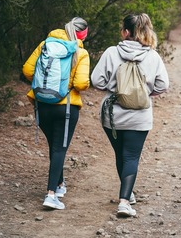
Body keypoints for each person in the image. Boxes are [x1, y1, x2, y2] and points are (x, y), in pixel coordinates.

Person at [91, 13, 169, 218]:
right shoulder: (153, 56)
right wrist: (143, 93)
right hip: (140, 116)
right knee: (131, 156)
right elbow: (163, 85)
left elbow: (97, 80)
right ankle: (125, 201)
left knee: (121, 154)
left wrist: (114, 89)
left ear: (126, 32)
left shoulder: (110, 52)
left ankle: (128, 193)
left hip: (112, 116)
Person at [22, 17, 91, 210]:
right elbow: (80, 84)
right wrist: (66, 86)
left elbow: (27, 70)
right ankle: (51, 195)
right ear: (82, 35)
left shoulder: (45, 44)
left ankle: (59, 185)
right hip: (66, 108)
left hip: (42, 105)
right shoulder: (81, 52)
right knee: (59, 149)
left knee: (54, 146)